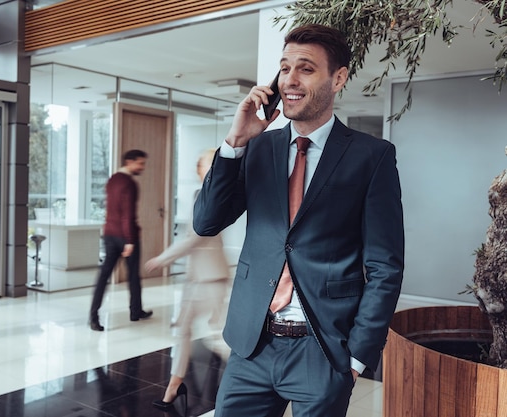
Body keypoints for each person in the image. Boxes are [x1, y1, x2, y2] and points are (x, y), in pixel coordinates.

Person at [193, 24, 404, 417]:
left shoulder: (371, 157)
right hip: (251, 347)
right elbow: (206, 222)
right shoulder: (257, 148)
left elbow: (385, 266)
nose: (290, 79)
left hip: (323, 351)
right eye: (284, 67)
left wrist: (357, 358)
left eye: (305, 68)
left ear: (338, 77)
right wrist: (235, 143)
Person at [145, 149, 230, 413]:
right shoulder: (201, 194)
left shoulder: (216, 196)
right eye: (204, 164)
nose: (204, 169)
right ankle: (175, 383)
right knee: (186, 329)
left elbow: (196, 237)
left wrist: (163, 258)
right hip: (200, 278)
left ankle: (256, 377)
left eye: (209, 164)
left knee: (217, 338)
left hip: (210, 278)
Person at [89, 149, 153, 331]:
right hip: (126, 237)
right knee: (133, 275)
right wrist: (130, 241)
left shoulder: (112, 180)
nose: (142, 167)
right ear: (129, 162)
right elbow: (127, 214)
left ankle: (93, 317)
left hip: (109, 234)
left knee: (103, 277)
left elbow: (111, 209)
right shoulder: (129, 183)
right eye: (140, 163)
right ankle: (135, 311)